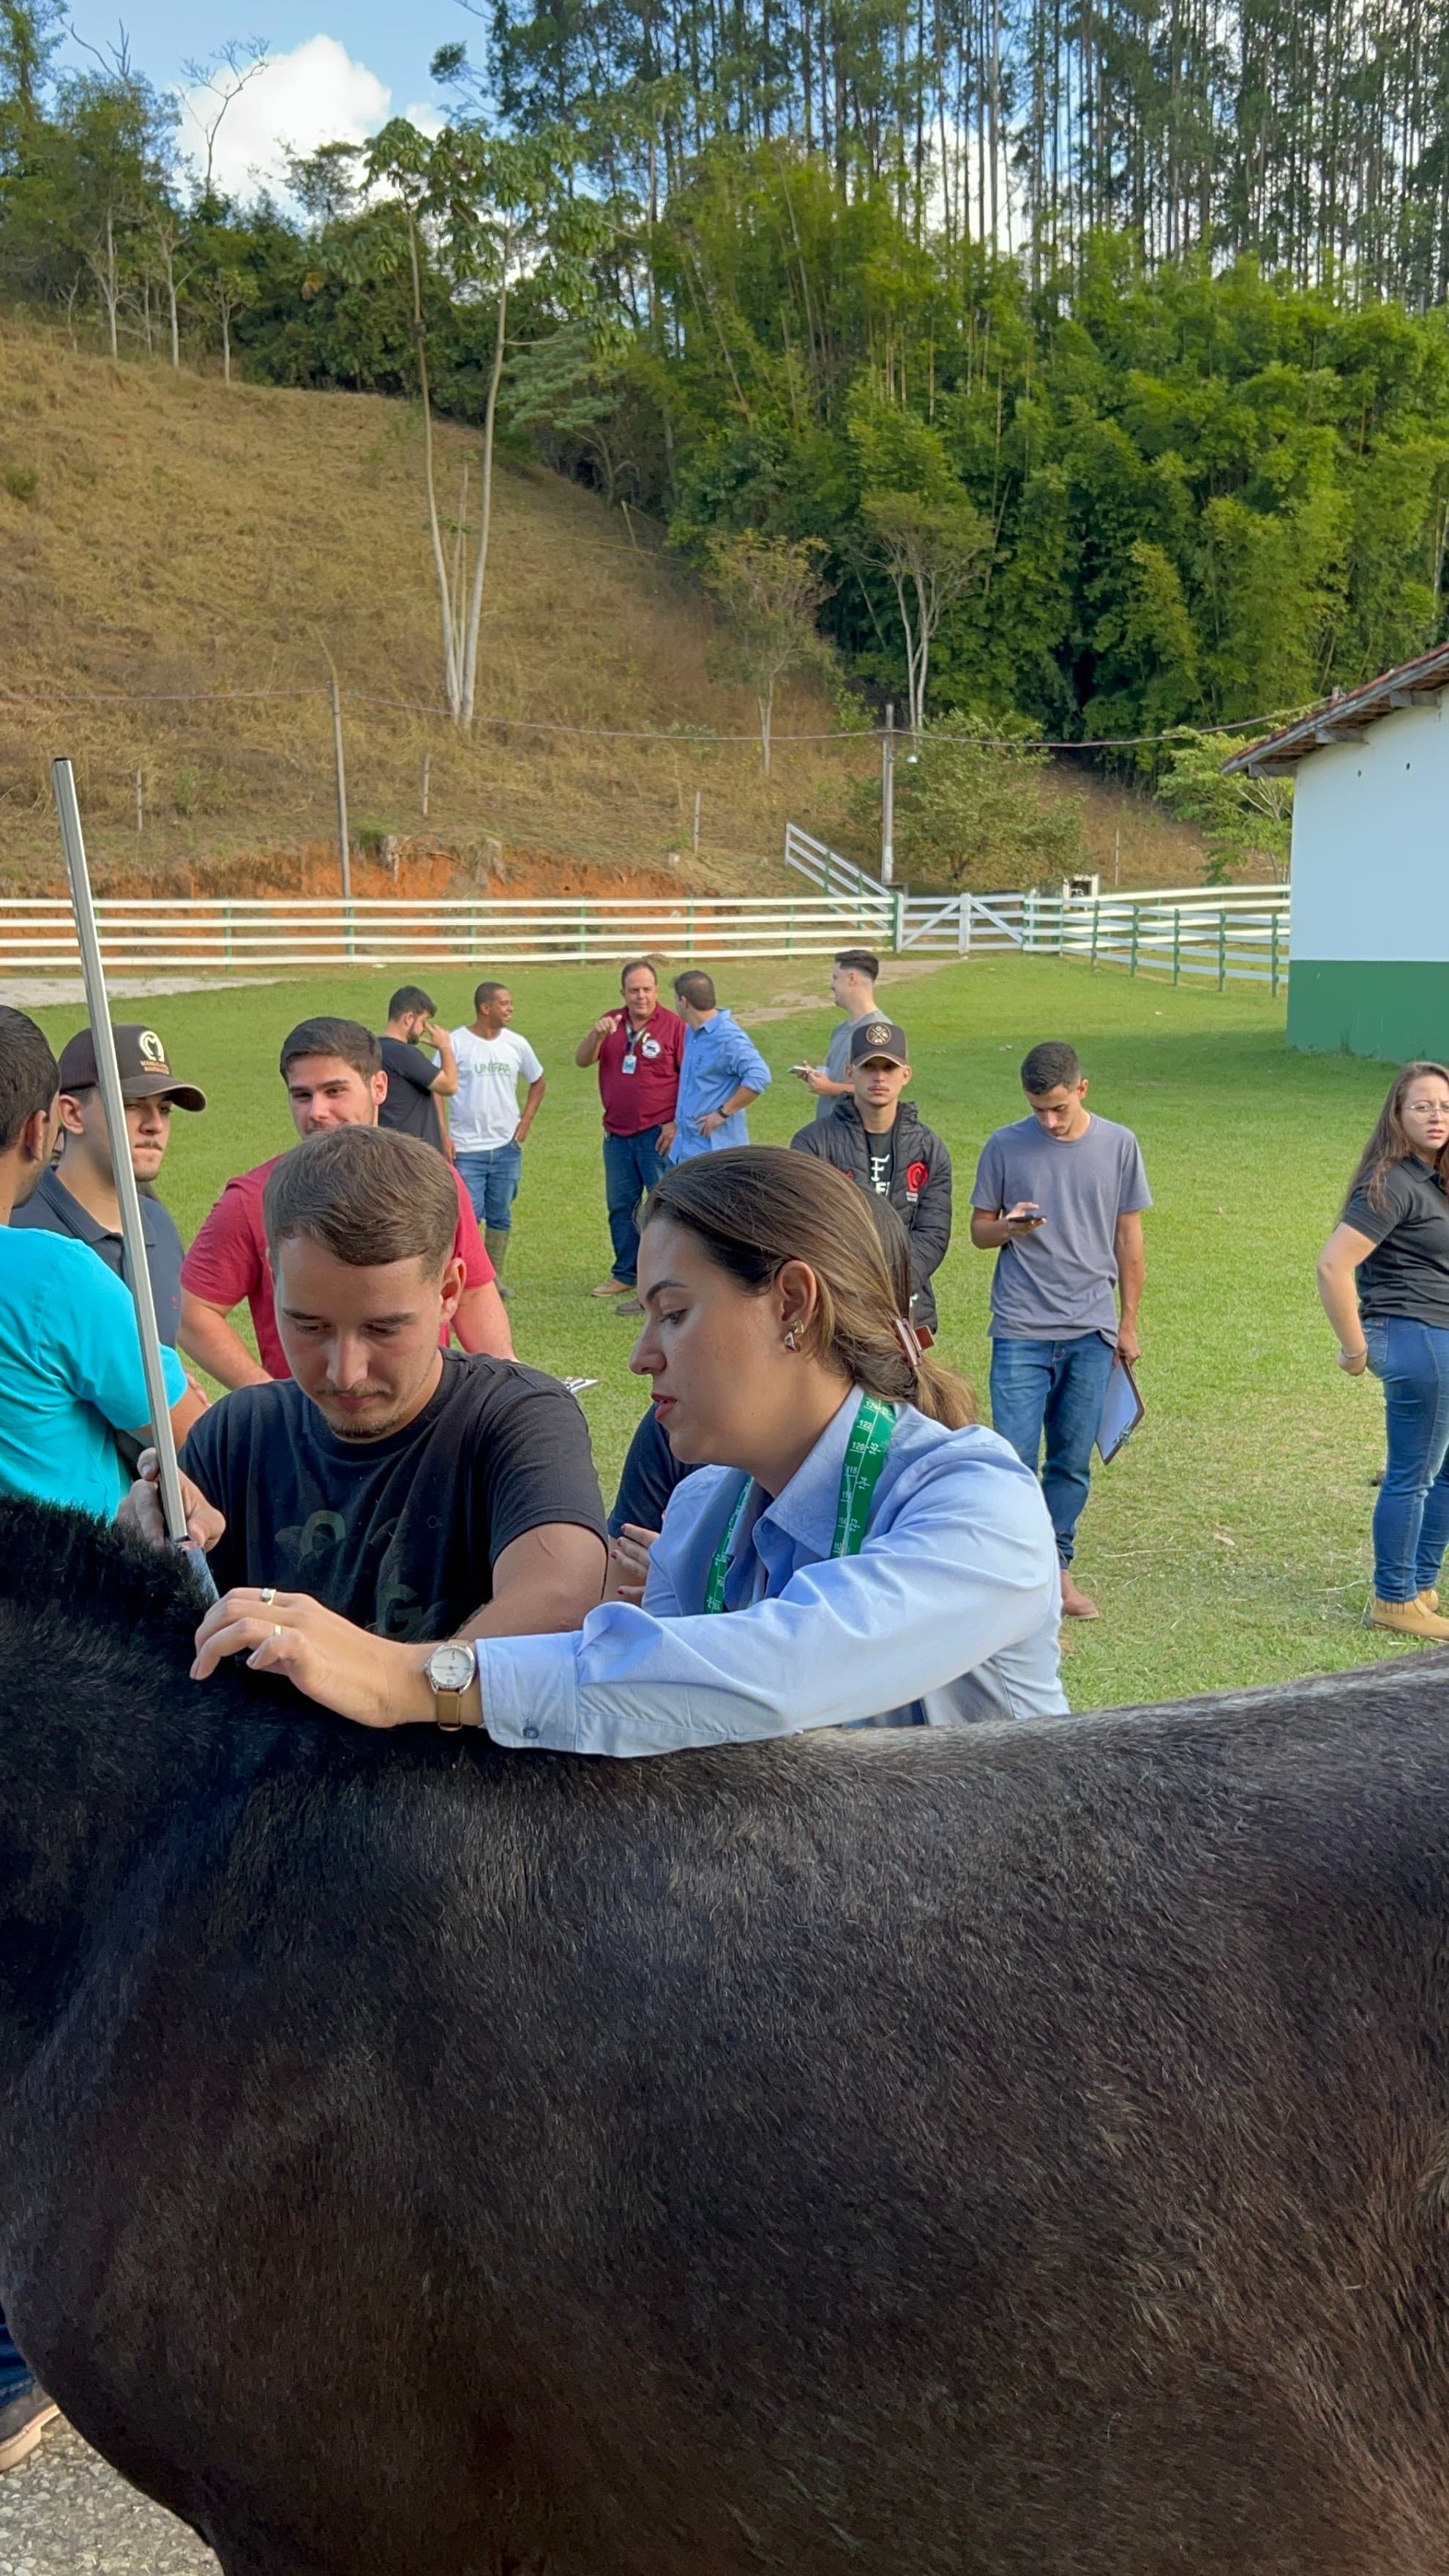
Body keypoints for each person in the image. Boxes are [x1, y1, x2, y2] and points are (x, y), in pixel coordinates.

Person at [182, 1148, 1066, 1745]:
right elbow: (654, 1721)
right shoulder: (700, 1511)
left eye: (673, 1313)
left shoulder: (977, 1501)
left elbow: (781, 1672)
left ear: (793, 1306)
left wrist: (413, 1678)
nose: (642, 1355)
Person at [0, 1005, 195, 2475]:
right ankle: (23, 2349)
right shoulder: (53, 1272)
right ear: (36, 1127)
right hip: (56, 1684)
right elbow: (175, 1425)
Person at [125, 1125, 607, 1651]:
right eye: (309, 1326)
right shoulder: (237, 1433)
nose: (345, 1372)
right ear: (275, 1276)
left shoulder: (519, 1418)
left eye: (383, 1328)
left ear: (448, 1292)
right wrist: (144, 1551)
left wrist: (374, 1677)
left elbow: (560, 1604)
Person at [179, 1017, 512, 1390]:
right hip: (316, 1432)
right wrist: (271, 1401)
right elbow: (194, 1312)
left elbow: (473, 1292)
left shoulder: (434, 1181)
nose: (316, 1111)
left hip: (424, 1422)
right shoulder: (254, 1197)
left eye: (334, 1091)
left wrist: (507, 1389)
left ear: (379, 1087)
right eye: (302, 1095)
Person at [970, 1040, 1150, 1625]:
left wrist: (1127, 1324)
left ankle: (1059, 1571)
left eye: (1058, 1108)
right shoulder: (1004, 1145)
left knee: (1071, 1461)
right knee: (1014, 1459)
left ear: (1082, 1089)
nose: (1048, 1121)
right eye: (1037, 1109)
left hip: (1090, 1330)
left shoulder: (1119, 1145)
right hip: (1021, 1327)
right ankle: (1016, 1577)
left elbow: (1129, 1242)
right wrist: (1010, 1228)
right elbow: (978, 1233)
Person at [1316, 1061, 1449, 1641]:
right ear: (1397, 1116)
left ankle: (1419, 1585)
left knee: (1441, 1475)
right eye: (1421, 1106)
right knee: (1412, 1476)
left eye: (1444, 1105)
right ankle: (1393, 1598)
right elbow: (1333, 1265)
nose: (1436, 1115)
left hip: (1438, 1335)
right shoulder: (1392, 1181)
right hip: (1416, 1336)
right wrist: (1354, 1350)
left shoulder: (1434, 1176)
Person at [13, 1021, 205, 1357]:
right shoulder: (20, 1229)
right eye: (131, 1105)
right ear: (72, 1114)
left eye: (164, 1109)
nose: (155, 1125)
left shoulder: (157, 1225)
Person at [790, 1016, 952, 1335]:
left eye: (889, 1068)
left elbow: (933, 1233)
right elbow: (807, 1227)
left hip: (908, 1307)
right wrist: (853, 1285)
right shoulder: (812, 1143)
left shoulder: (929, 1148)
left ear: (906, 1075)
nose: (879, 1077)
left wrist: (894, 1285)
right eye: (868, 1067)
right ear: (849, 1073)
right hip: (840, 1308)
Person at [574, 959, 685, 1307]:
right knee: (621, 1206)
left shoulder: (674, 1027)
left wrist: (675, 1122)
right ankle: (626, 1273)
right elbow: (581, 1060)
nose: (641, 996)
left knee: (662, 1206)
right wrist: (597, 1035)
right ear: (622, 992)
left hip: (657, 1135)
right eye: (634, 990)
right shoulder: (611, 1023)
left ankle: (669, 1275)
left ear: (657, 991)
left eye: (647, 989)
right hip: (617, 1136)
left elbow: (690, 1079)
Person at [448, 982, 546, 1298]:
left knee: (501, 1213)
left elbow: (538, 1081)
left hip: (506, 1148)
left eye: (511, 1002)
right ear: (485, 1008)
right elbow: (437, 1088)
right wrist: (443, 1134)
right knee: (469, 1215)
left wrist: (526, 1119)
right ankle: (465, 1278)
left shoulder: (516, 1044)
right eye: (503, 1003)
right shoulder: (456, 1043)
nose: (510, 1008)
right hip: (466, 1148)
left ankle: (493, 1280)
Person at [664, 972, 771, 1179]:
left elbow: (759, 1076)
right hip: (686, 1152)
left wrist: (722, 1113)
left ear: (683, 1001)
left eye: (675, 999)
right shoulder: (692, 1033)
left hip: (717, 1157)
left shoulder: (727, 1037)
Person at [790, 948, 883, 1120]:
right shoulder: (841, 1029)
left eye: (835, 978)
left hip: (854, 1135)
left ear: (851, 979)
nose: (832, 985)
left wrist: (830, 1088)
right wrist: (818, 1078)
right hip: (830, 1133)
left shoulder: (877, 1032)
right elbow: (842, 1078)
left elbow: (880, 1090)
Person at [375, 986, 459, 1158]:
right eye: (423, 1021)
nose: (424, 1029)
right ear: (409, 1018)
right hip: (414, 1155)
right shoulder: (403, 1053)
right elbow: (449, 1086)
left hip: (387, 1149)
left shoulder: (372, 1049)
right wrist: (445, 1046)